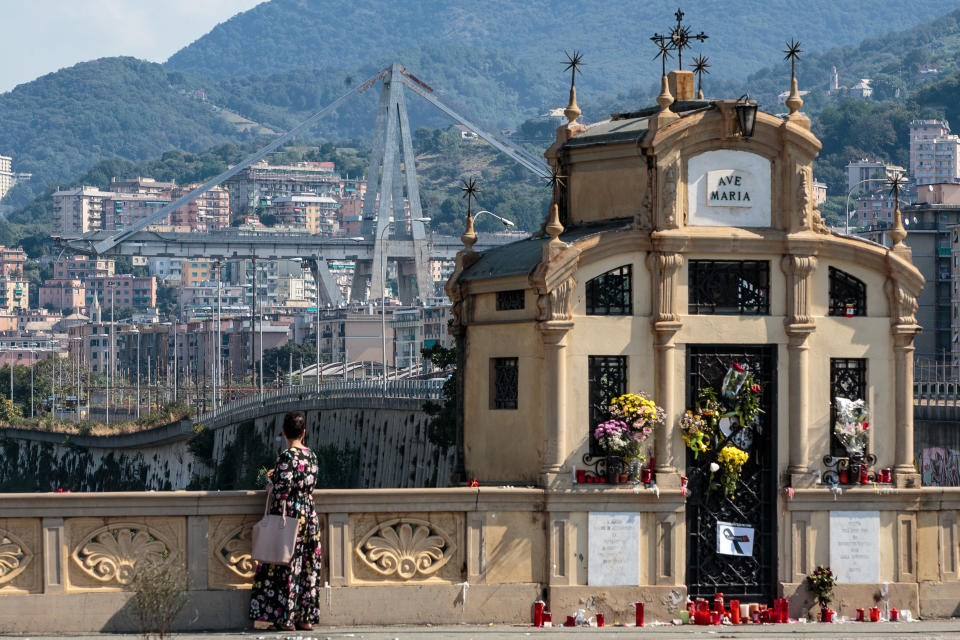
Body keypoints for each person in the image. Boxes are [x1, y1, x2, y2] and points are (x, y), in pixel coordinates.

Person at [249, 411, 322, 631]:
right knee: (308, 567)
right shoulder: (312, 456)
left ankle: (285, 619)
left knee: (286, 565)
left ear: (284, 433)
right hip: (309, 515)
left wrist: (270, 480)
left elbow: (281, 490)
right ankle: (305, 618)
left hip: (290, 516)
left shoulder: (286, 457)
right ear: (304, 433)